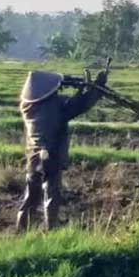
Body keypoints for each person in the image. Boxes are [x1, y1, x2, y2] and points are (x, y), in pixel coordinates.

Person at [16, 67, 108, 230]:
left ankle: (22, 226)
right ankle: (51, 228)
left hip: (33, 156)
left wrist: (73, 84)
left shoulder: (28, 106)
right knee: (51, 193)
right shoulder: (53, 107)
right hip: (51, 154)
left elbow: (69, 104)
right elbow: (78, 106)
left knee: (32, 193)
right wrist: (94, 87)